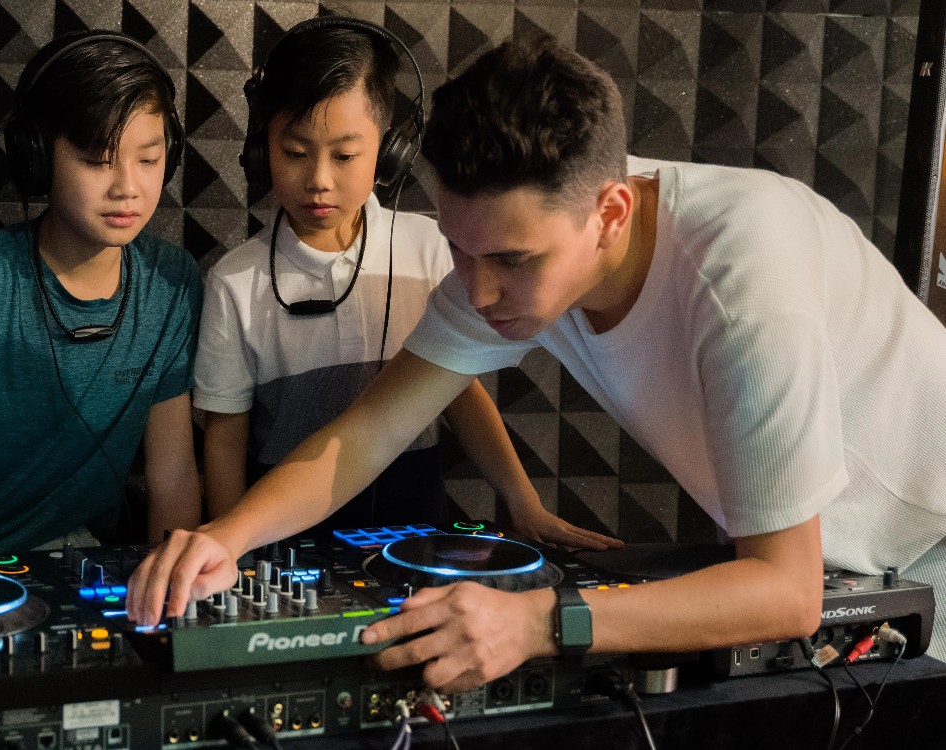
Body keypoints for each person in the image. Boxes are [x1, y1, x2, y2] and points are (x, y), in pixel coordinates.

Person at [127, 36, 946, 681]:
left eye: (513, 261)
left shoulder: (743, 285)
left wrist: (536, 623)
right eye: (457, 248)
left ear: (612, 211)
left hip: (929, 548)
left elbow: (785, 592)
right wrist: (225, 540)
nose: (478, 293)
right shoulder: (505, 261)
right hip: (851, 565)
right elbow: (363, 437)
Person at [196, 15, 619, 547]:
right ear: (262, 149)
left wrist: (524, 503)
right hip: (281, 533)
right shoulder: (236, 281)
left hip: (415, 530)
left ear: (391, 151)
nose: (319, 179)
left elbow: (460, 390)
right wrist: (230, 546)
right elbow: (224, 434)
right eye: (295, 153)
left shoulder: (436, 249)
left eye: (345, 155)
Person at [0, 30, 203, 557]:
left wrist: (167, 599)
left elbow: (173, 478)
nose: (127, 187)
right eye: (97, 160)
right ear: (37, 157)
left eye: (148, 160)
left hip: (77, 559)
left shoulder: (172, 282)